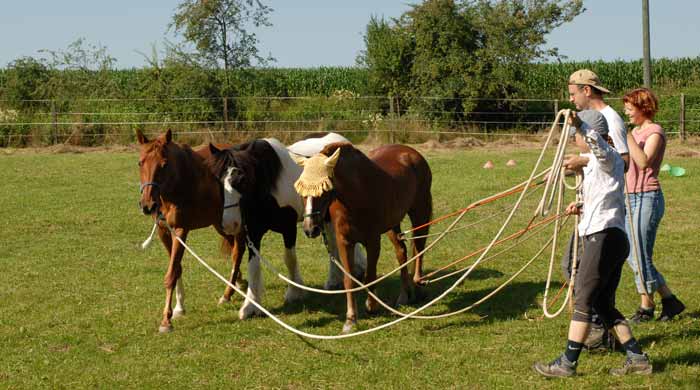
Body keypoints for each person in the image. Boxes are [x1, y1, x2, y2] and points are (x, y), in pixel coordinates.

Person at [534, 110, 652, 378]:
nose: (576, 138)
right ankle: (637, 358)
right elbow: (605, 195)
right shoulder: (600, 165)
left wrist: (581, 125)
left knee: (583, 299)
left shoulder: (607, 156)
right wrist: (583, 206)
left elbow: (598, 147)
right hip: (608, 236)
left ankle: (567, 363)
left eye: (577, 135)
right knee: (602, 305)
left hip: (604, 238)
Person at [561, 69, 629, 351]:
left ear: (586, 89)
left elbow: (613, 157)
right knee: (595, 295)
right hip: (598, 220)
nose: (572, 99)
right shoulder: (599, 149)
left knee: (585, 294)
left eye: (573, 93)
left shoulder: (607, 125)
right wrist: (584, 203)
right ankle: (634, 355)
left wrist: (584, 144)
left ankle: (574, 355)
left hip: (605, 228)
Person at [622, 88, 685, 323]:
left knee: (639, 256)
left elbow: (644, 162)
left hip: (647, 197)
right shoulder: (635, 131)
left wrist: (626, 137)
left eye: (630, 109)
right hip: (629, 197)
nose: (626, 113)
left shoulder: (655, 132)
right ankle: (669, 300)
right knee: (633, 254)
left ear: (643, 108)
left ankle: (646, 308)